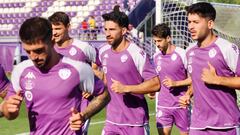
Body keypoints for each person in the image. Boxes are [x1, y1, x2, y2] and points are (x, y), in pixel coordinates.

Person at [1, 17, 110, 134]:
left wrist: (83, 115)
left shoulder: (78, 69)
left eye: (39, 50)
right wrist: (8, 110)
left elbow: (104, 95)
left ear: (52, 42)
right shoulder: (20, 71)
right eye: (28, 51)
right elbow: (9, 113)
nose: (33, 57)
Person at [100, 8, 160, 135]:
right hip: (112, 121)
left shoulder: (136, 53)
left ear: (123, 31)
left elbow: (156, 84)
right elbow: (104, 76)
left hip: (135, 123)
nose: (107, 34)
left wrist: (126, 88)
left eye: (112, 29)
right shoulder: (103, 52)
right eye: (106, 29)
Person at [186, 2, 240, 135]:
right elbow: (197, 80)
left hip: (225, 125)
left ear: (210, 24)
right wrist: (189, 93)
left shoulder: (227, 48)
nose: (190, 26)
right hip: (198, 125)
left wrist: (218, 80)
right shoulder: (189, 51)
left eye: (196, 22)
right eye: (189, 22)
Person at [48, 11, 102, 135]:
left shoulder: (83, 47)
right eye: (52, 29)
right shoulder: (48, 49)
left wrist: (91, 83)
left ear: (68, 27)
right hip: (55, 106)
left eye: (58, 28)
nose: (54, 32)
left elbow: (105, 63)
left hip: (80, 105)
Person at [150, 23, 191, 135]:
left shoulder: (182, 54)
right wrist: (152, 90)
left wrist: (175, 83)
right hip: (163, 104)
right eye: (155, 41)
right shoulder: (156, 56)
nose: (157, 44)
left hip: (181, 104)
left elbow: (193, 79)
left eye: (159, 41)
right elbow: (157, 78)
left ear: (168, 38)